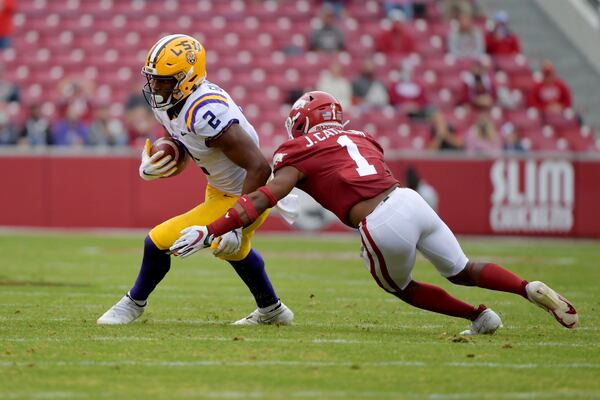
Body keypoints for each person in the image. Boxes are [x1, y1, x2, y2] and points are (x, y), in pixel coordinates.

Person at [169, 90, 578, 335]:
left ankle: (480, 316)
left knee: (401, 287)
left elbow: (261, 198)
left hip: (381, 220)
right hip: (411, 200)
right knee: (463, 268)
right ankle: (526, 287)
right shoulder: (363, 136)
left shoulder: (296, 149)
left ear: (302, 123)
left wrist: (211, 230)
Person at [97, 34, 293, 326]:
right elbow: (179, 140)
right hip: (219, 188)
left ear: (187, 78)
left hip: (248, 192)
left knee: (158, 241)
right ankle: (273, 310)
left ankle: (132, 303)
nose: (156, 87)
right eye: (154, 79)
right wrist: (162, 159)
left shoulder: (206, 111)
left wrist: (236, 222)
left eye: (164, 80)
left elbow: (259, 167)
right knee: (232, 250)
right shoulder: (171, 101)